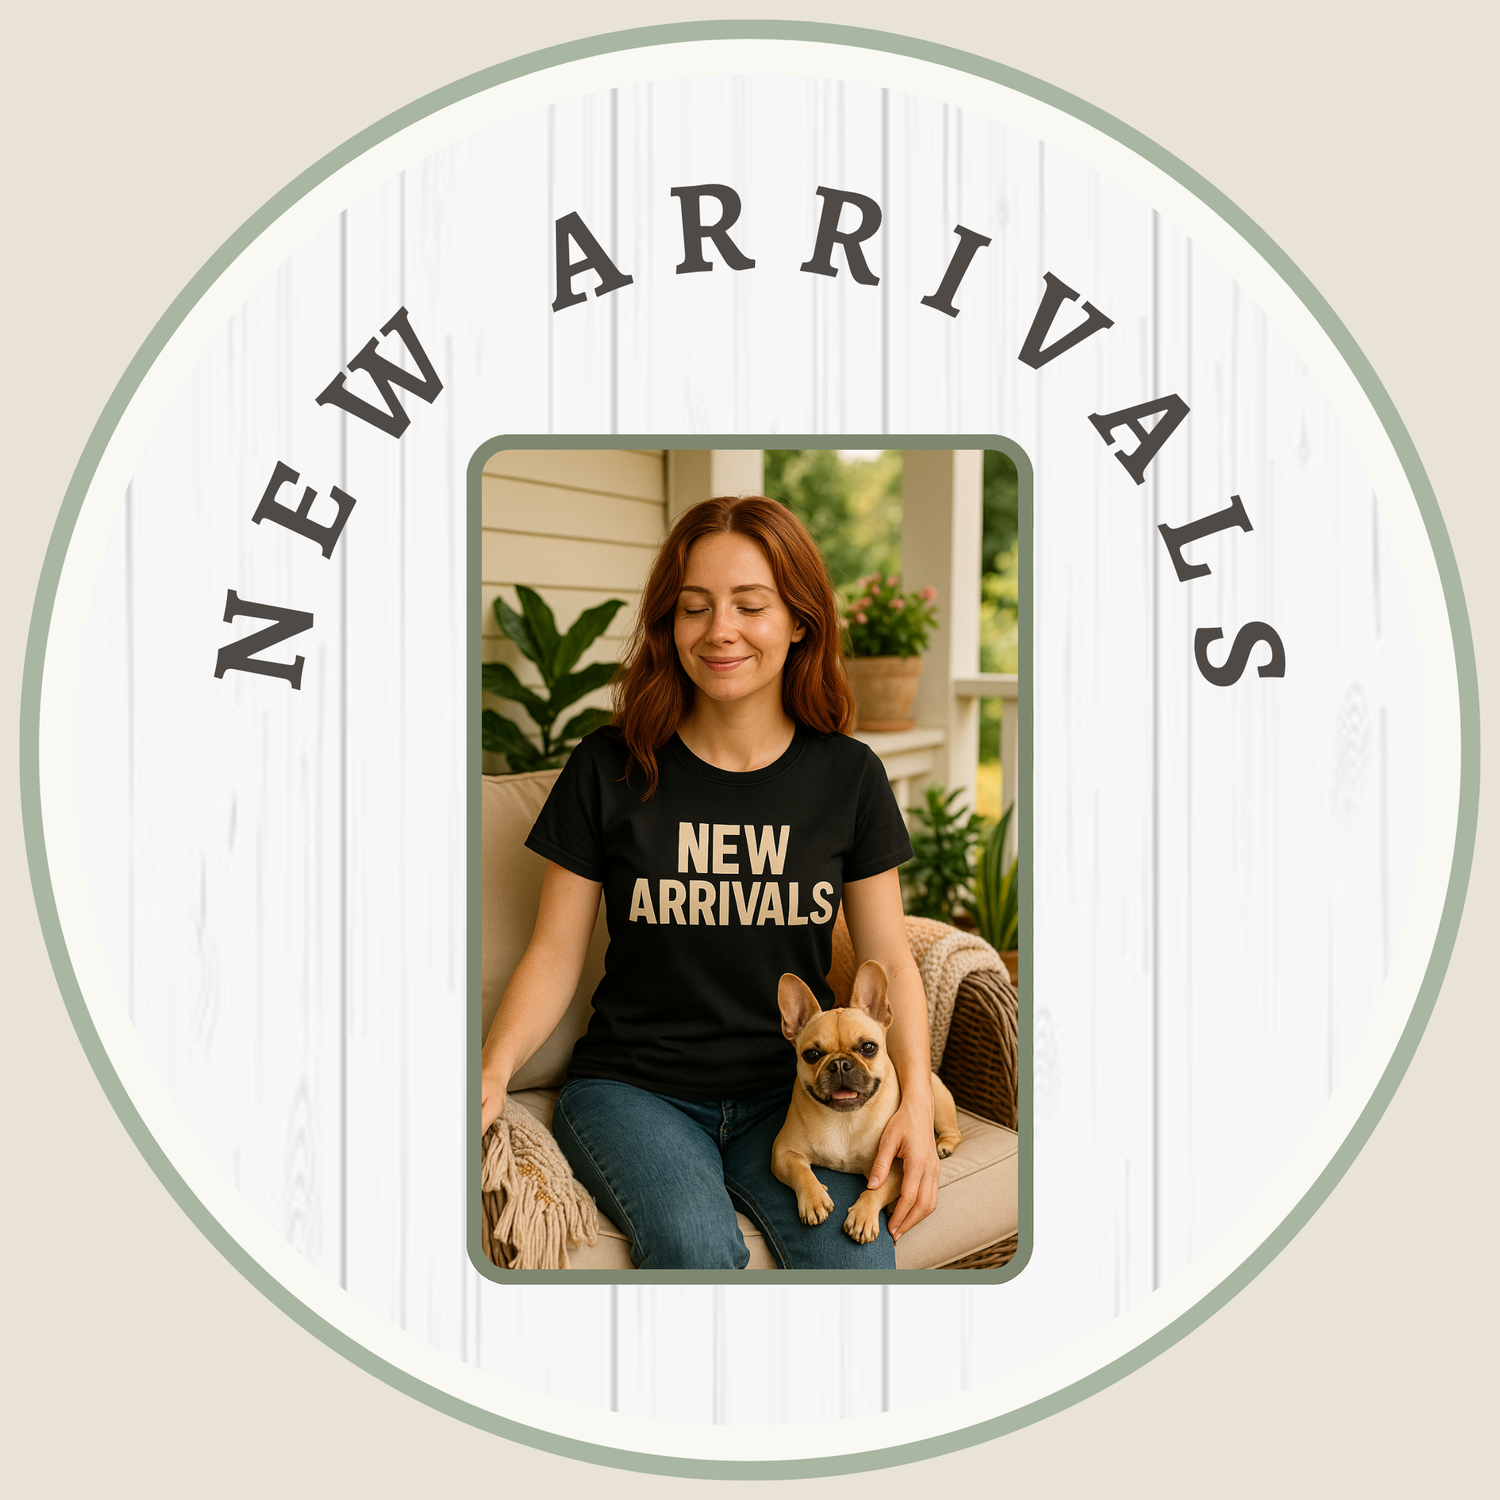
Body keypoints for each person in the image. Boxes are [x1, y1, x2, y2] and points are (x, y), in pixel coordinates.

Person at [479, 495, 941, 1269]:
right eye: (694, 608)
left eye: (750, 605)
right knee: (694, 1253)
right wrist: (491, 1073)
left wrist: (916, 1106)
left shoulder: (849, 777)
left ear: (799, 621)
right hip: (636, 1093)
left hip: (791, 1097)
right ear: (669, 625)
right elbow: (555, 954)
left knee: (858, 1268)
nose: (719, 629)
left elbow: (889, 957)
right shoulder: (608, 768)